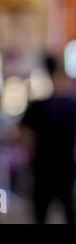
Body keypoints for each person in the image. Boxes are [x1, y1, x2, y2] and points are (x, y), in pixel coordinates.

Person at [20, 54, 76, 224]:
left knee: (41, 214)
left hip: (42, 168)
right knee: (69, 214)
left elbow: (23, 135)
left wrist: (31, 151)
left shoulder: (38, 105)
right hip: (66, 169)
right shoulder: (72, 105)